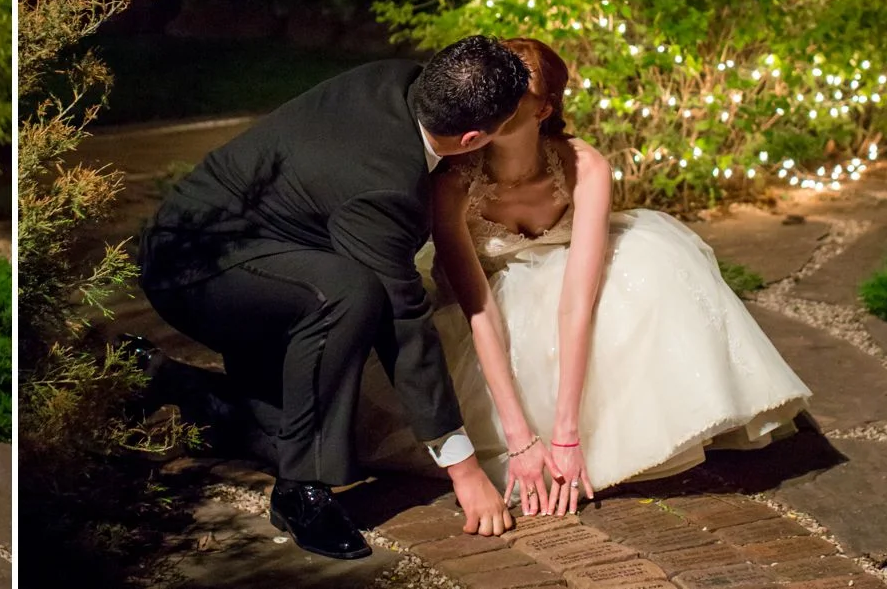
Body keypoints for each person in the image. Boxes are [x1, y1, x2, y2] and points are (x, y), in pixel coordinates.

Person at [366, 36, 811, 503]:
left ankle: (625, 428)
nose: (501, 99)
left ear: (543, 110)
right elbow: (480, 311)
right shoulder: (454, 181)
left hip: (570, 291)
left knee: (654, 268)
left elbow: (576, 303)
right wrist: (519, 438)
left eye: (518, 93)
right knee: (508, 332)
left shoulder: (584, 166)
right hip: (480, 305)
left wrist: (566, 434)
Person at [139, 38, 535, 559]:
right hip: (196, 269)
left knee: (293, 432)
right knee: (350, 295)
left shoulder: (398, 81)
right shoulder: (386, 184)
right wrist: (463, 469)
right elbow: (402, 322)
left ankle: (167, 378)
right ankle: (301, 492)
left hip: (266, 248)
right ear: (471, 138)